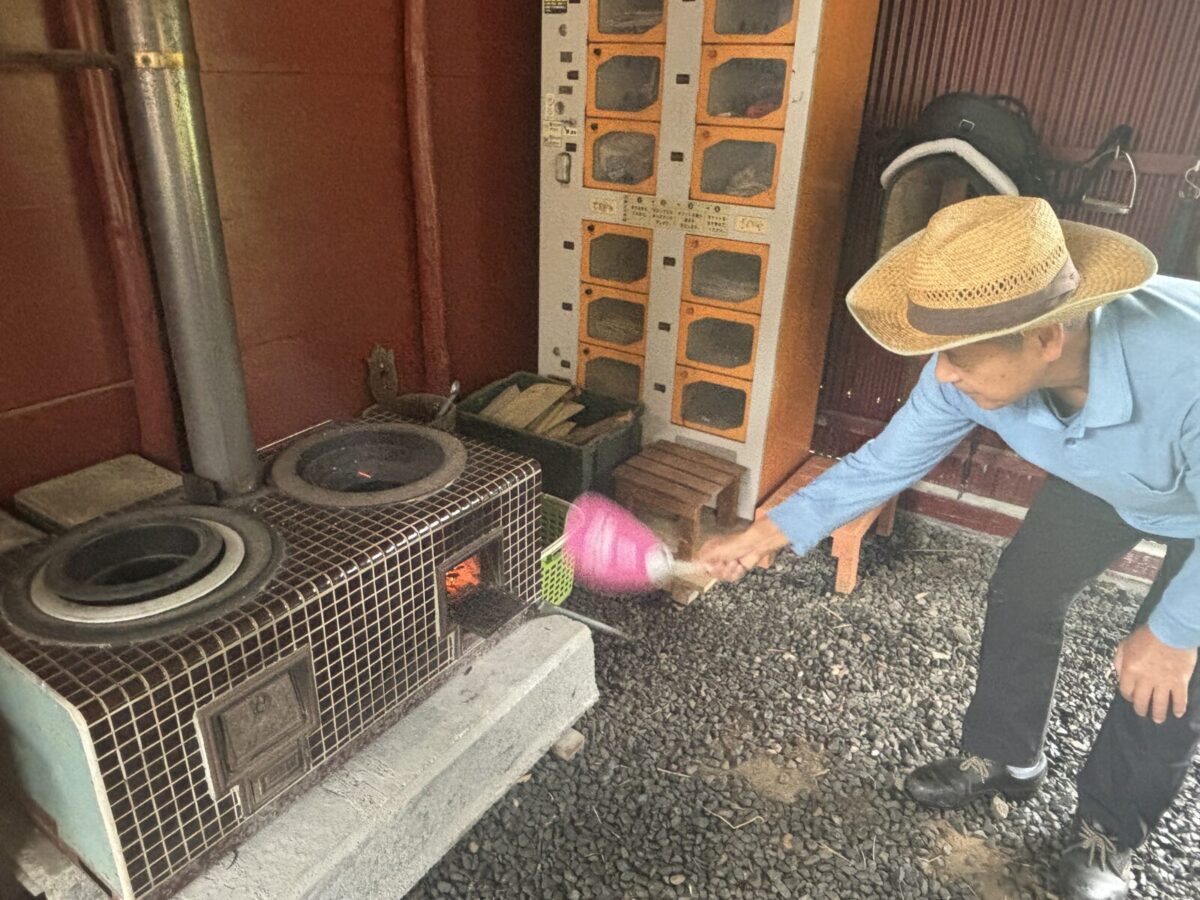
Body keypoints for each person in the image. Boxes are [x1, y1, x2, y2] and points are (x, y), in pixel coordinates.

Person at [698, 195, 1199, 900]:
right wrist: (768, 531)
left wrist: (1174, 632)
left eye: (959, 357)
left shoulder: (1185, 370)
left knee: (1171, 673)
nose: (941, 375)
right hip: (1107, 473)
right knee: (1024, 589)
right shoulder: (960, 370)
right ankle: (1005, 757)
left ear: (1046, 337)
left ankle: (1109, 832)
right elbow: (884, 464)